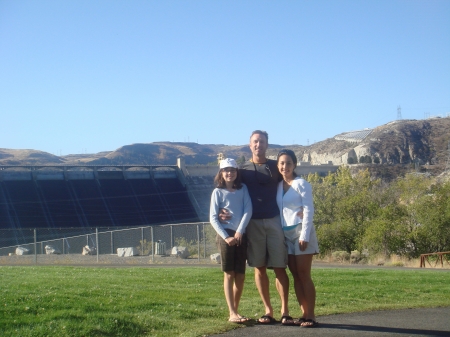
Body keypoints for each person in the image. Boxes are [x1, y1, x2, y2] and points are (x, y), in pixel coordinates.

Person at [220, 130, 294, 326]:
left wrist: (301, 207)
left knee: (279, 267)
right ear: (249, 145)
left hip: (274, 220)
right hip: (252, 224)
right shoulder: (242, 170)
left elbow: (291, 183)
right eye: (255, 142)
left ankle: (285, 311)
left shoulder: (275, 166)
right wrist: (222, 212)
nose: (258, 145)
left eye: (261, 141)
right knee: (259, 268)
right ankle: (268, 310)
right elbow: (228, 192)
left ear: (267, 144)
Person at [276, 149, 319, 328]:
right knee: (295, 275)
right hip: (286, 233)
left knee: (304, 274)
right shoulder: (278, 186)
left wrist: (304, 235)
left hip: (301, 232)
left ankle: (311, 315)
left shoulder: (301, 184)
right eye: (282, 163)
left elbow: (308, 210)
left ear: (294, 165)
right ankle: (303, 313)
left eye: (288, 163)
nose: (285, 166)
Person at [210, 158, 253, 324]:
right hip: (225, 236)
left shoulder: (243, 189)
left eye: (233, 170)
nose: (230, 173)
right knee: (229, 274)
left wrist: (239, 231)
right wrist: (226, 236)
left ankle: (236, 310)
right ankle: (232, 312)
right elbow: (213, 218)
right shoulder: (217, 192)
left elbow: (248, 210)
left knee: (240, 275)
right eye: (226, 170)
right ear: (221, 173)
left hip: (240, 234)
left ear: (237, 172)